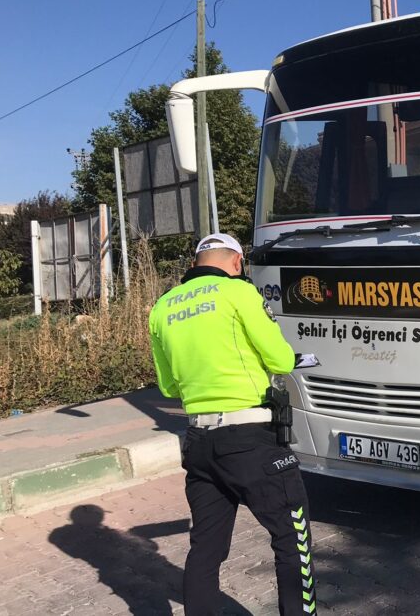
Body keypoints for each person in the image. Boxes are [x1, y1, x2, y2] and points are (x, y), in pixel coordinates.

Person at [148, 233, 316, 616]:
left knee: (205, 550)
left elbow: (168, 385)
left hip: (199, 444)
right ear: (237, 263)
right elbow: (280, 359)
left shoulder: (161, 308)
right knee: (293, 541)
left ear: (196, 262)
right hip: (250, 439)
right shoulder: (238, 293)